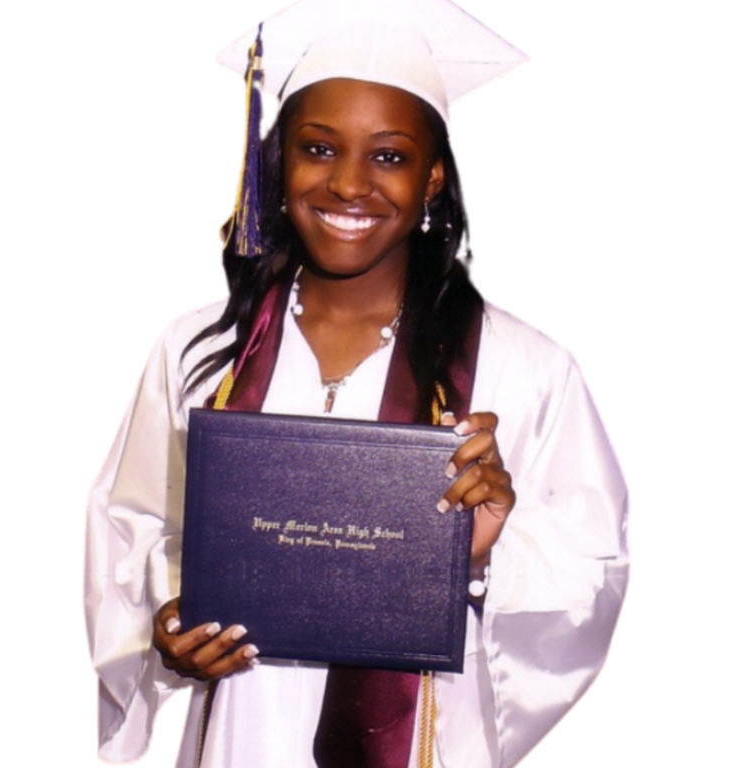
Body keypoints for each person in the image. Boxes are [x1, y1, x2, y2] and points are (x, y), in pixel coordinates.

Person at [85, 1, 628, 767]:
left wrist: (486, 554)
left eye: (389, 156)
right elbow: (132, 526)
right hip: (242, 734)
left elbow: (591, 571)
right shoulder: (200, 354)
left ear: (433, 177)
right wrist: (165, 629)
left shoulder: (525, 368)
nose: (348, 184)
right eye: (317, 147)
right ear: (279, 165)